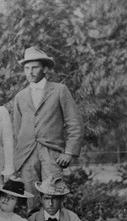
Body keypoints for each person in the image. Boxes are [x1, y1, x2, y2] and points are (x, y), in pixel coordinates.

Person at [13, 47, 85, 208]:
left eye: (35, 67)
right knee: (32, 201)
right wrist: (17, 161)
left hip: (51, 152)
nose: (30, 72)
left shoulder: (59, 90)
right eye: (26, 68)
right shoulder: (20, 96)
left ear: (45, 68)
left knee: (54, 198)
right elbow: (17, 131)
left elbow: (75, 123)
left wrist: (69, 152)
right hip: (28, 155)